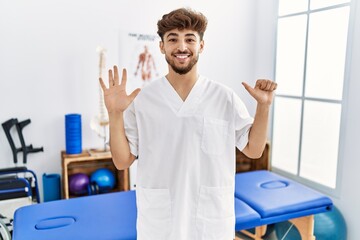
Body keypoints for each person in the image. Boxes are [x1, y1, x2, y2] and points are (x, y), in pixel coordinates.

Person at [99, 8, 277, 240]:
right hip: (159, 224)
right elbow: (122, 161)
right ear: (162, 46)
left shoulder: (224, 97)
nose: (182, 47)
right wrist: (114, 114)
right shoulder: (143, 99)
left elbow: (254, 150)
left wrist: (263, 107)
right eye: (173, 39)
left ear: (201, 46)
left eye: (190, 39)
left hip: (210, 223)